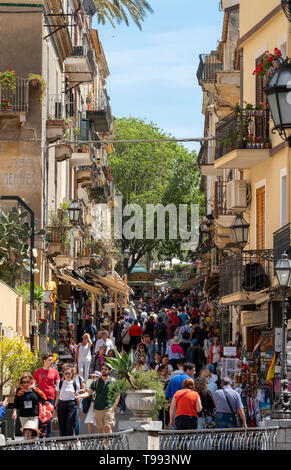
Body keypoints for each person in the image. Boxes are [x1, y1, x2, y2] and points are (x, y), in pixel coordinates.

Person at [76, 363, 120, 434]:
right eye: (102, 369)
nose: (103, 370)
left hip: (108, 408)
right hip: (97, 409)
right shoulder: (96, 381)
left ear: (109, 371)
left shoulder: (113, 381)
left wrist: (114, 406)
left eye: (105, 369)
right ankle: (103, 444)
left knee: (108, 427)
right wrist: (79, 396)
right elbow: (88, 393)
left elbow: (118, 394)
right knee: (100, 429)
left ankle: (108, 444)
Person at [33, 353, 60, 438]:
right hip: (40, 399)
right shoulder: (38, 371)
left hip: (50, 398)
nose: (51, 362)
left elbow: (58, 387)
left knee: (49, 419)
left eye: (52, 360)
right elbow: (33, 385)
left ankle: (48, 439)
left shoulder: (55, 372)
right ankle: (40, 440)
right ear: (44, 361)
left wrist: (56, 401)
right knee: (41, 419)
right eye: (50, 360)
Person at [54, 366, 82, 437]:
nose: (67, 375)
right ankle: (63, 443)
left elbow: (77, 397)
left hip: (71, 405)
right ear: (63, 374)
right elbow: (57, 396)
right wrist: (55, 408)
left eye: (69, 373)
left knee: (69, 425)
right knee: (62, 425)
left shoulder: (75, 384)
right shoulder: (60, 383)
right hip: (61, 405)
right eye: (66, 373)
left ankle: (69, 444)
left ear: (72, 374)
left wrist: (79, 408)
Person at [71, 365, 85, 436]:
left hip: (78, 400)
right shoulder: (66, 378)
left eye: (74, 369)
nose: (73, 371)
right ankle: (71, 438)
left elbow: (84, 389)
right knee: (70, 420)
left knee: (77, 421)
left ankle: (77, 436)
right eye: (72, 369)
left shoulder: (79, 378)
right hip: (69, 401)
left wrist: (78, 391)